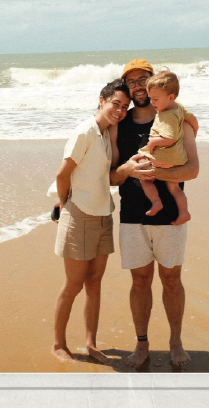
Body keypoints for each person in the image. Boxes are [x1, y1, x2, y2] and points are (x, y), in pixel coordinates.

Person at [109, 59, 199, 367]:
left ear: (153, 82)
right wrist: (128, 170)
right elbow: (111, 176)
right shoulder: (118, 123)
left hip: (171, 214)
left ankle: (176, 343)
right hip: (132, 215)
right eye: (131, 81)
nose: (137, 85)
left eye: (142, 79)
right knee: (139, 281)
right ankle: (142, 344)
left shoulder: (177, 118)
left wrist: (151, 175)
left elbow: (193, 169)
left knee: (171, 280)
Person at [52, 79, 131, 364]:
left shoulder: (106, 132)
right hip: (79, 214)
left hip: (102, 214)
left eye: (125, 107)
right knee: (73, 285)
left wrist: (115, 131)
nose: (120, 110)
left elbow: (110, 169)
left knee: (95, 283)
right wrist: (63, 207)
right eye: (115, 104)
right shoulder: (85, 131)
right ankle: (59, 344)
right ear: (102, 100)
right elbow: (63, 174)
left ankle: (91, 344)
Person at [137, 70, 198, 225]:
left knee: (142, 175)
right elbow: (192, 119)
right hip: (176, 159)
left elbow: (169, 138)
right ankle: (184, 212)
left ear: (171, 97)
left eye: (155, 99)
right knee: (175, 188)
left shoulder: (166, 115)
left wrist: (153, 142)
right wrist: (194, 130)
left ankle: (156, 201)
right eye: (150, 98)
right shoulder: (179, 107)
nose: (152, 102)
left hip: (163, 157)